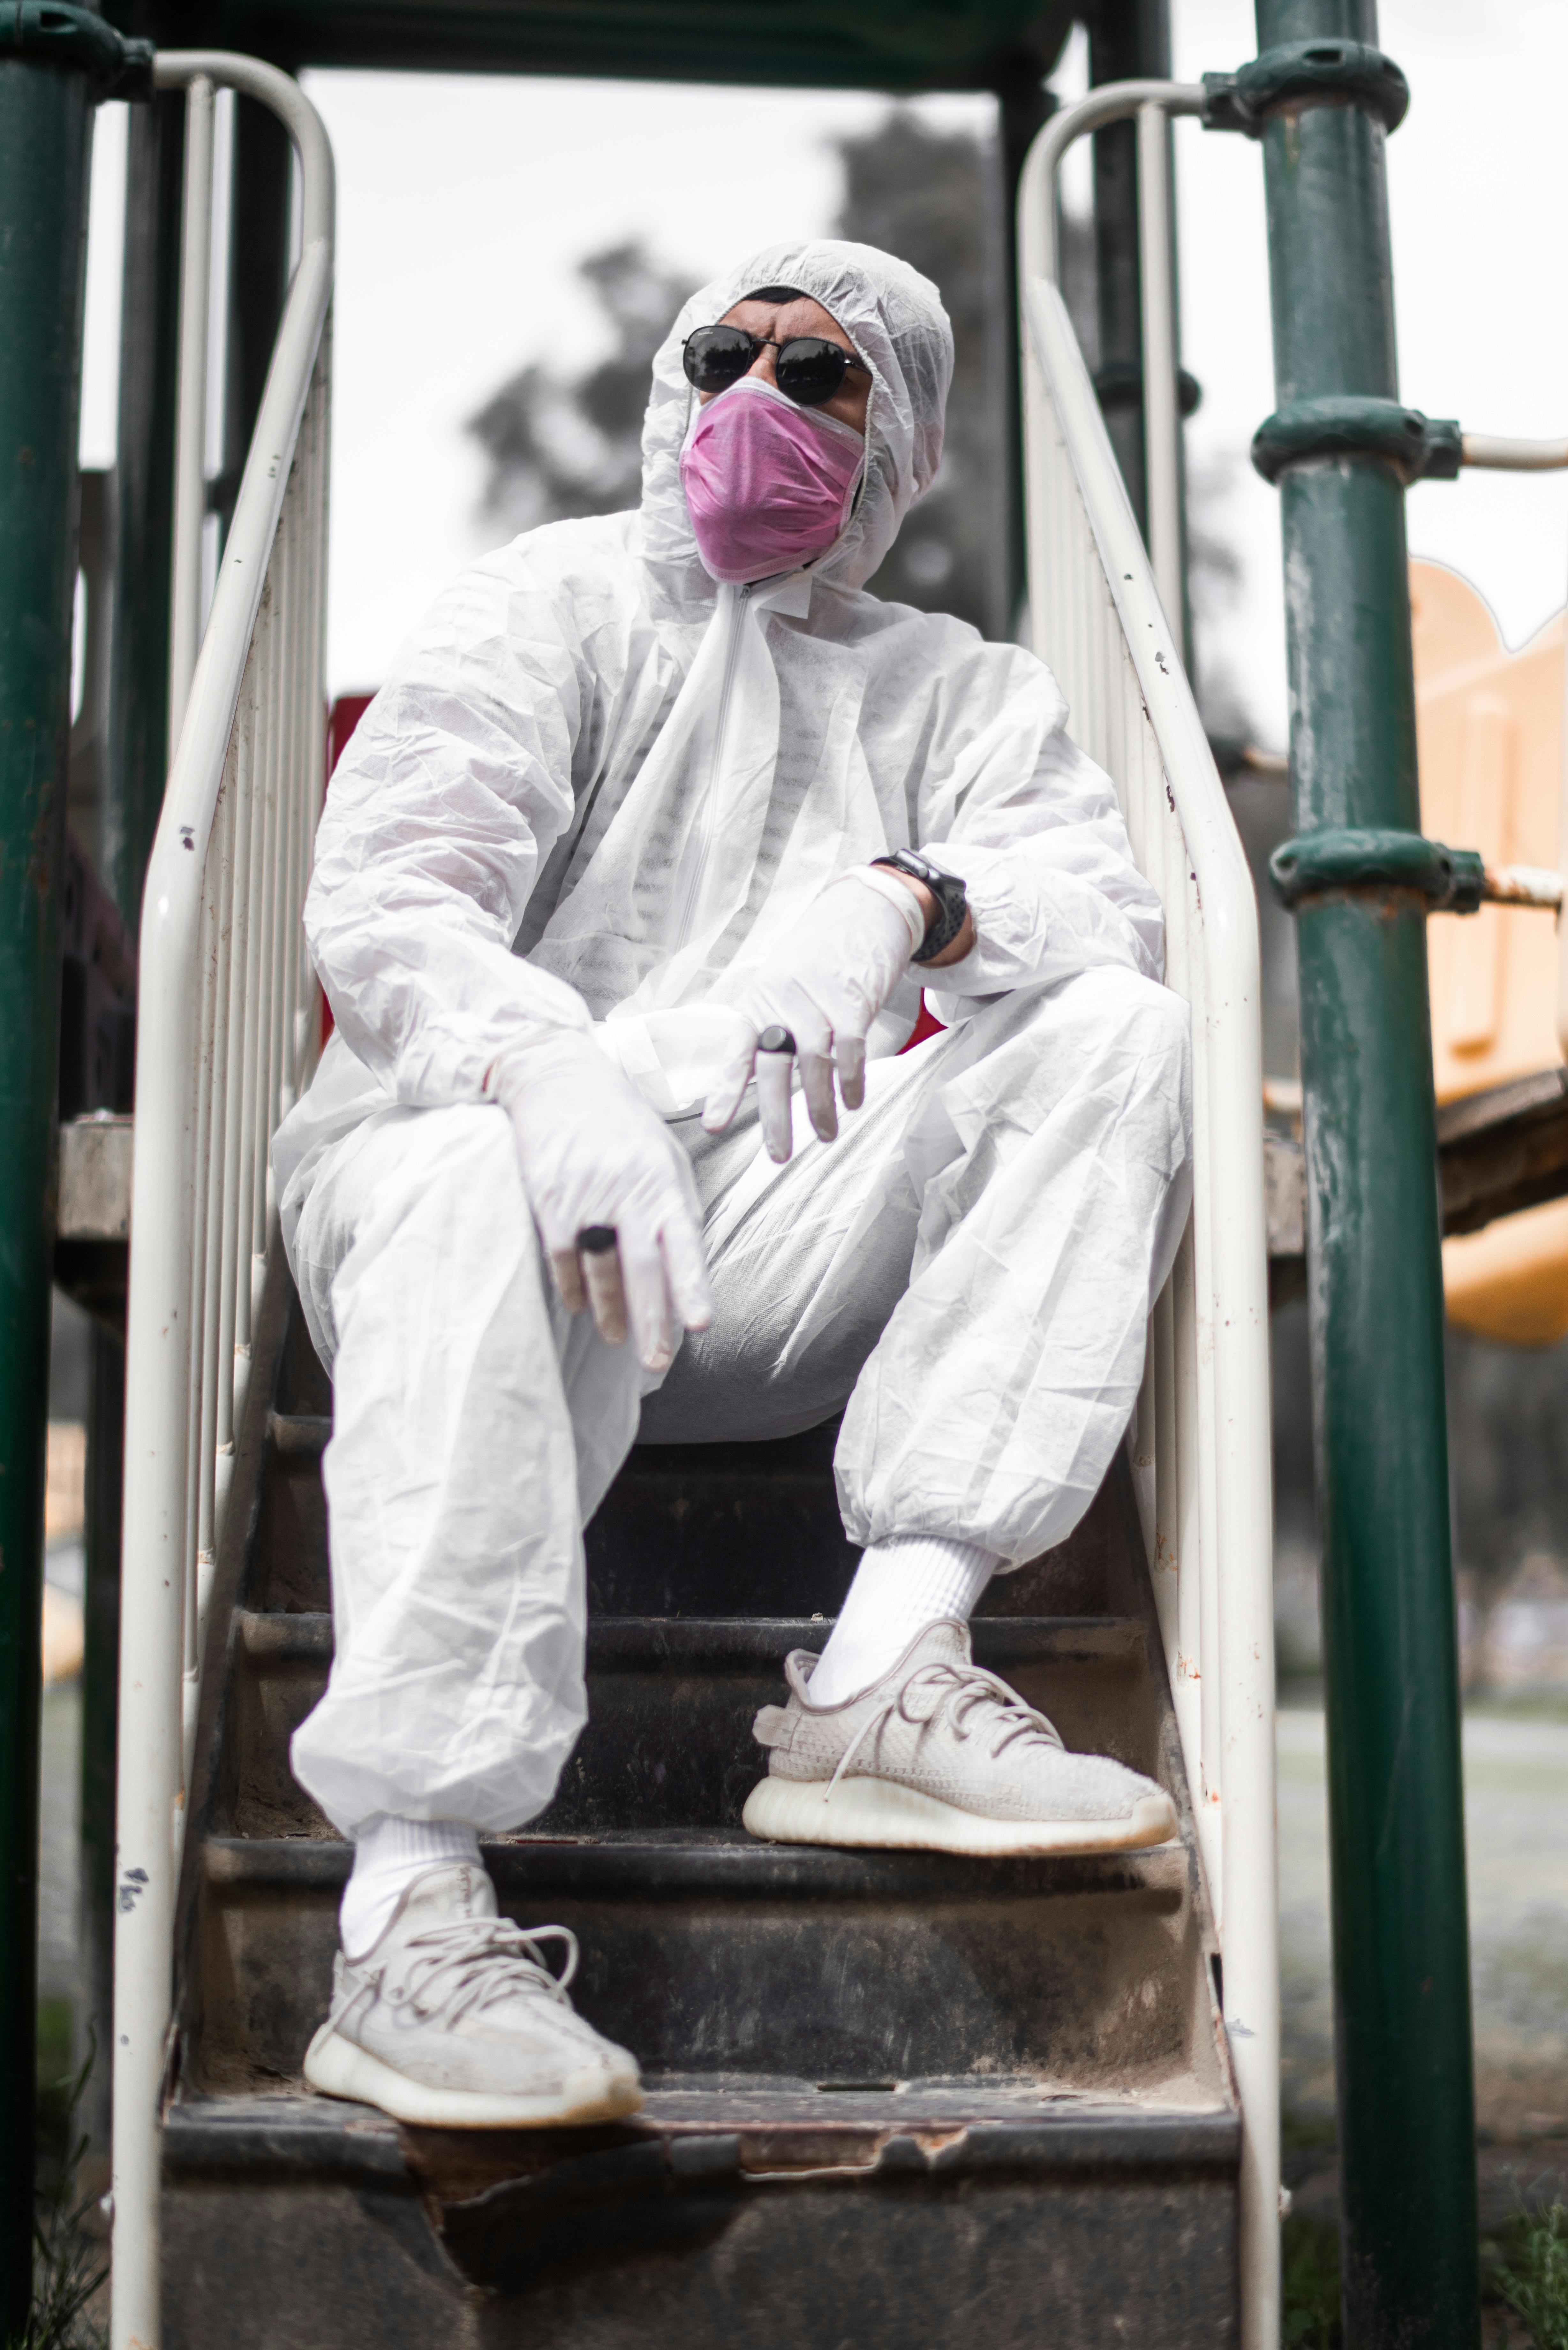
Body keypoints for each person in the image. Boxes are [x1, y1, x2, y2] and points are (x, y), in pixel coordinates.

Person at [275, 239, 1193, 2132]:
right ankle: (409, 1905)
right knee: (458, 1160)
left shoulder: (957, 693)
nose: (757, 395)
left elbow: (1099, 896)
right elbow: (391, 900)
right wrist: (543, 1070)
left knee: (1116, 1028)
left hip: (758, 1246)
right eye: (728, 352)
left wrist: (903, 904)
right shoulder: (548, 610)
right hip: (478, 1218)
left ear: (906, 441)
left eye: (822, 371)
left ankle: (882, 1668)